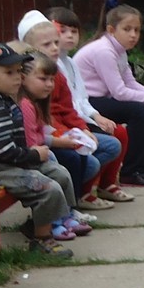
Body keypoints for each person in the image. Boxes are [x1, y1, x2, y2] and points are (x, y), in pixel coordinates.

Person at [73, 1, 144, 187]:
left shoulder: (119, 50)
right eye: (127, 29)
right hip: (86, 103)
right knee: (137, 110)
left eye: (137, 30)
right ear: (111, 29)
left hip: (101, 98)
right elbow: (120, 93)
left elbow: (130, 83)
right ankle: (131, 171)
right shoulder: (104, 51)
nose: (133, 35)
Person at [20, 15, 124, 211]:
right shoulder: (33, 83)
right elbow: (41, 125)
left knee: (112, 143)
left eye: (56, 43)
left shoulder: (57, 73)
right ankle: (70, 204)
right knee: (83, 160)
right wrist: (64, 137)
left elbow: (69, 108)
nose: (54, 48)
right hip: (47, 141)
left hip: (60, 133)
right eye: (47, 44)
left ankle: (81, 194)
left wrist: (82, 129)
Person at [0, 43, 76, 257]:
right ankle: (42, 240)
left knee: (60, 174)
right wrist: (33, 155)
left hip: (12, 162)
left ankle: (42, 223)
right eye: (9, 72)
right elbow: (3, 151)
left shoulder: (5, 99)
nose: (17, 78)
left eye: (19, 71)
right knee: (48, 188)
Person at [46, 7, 132, 203]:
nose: (69, 36)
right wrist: (82, 127)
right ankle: (85, 191)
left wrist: (96, 116)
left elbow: (81, 99)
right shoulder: (53, 66)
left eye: (74, 31)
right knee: (113, 137)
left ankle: (106, 184)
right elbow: (64, 108)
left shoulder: (70, 62)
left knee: (118, 131)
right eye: (63, 30)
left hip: (77, 118)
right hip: (66, 124)